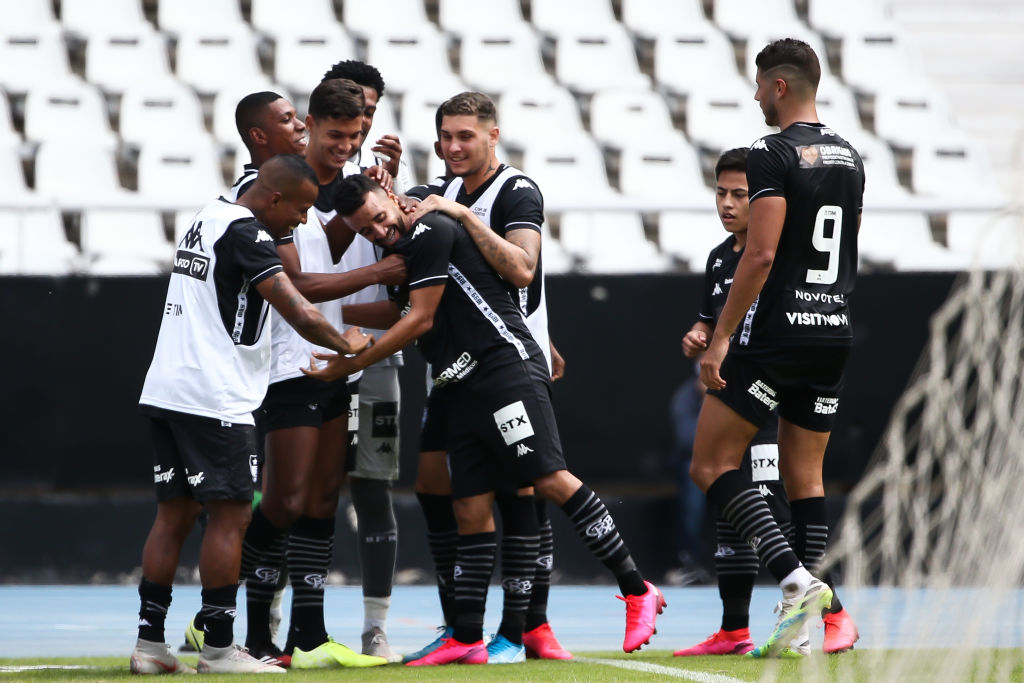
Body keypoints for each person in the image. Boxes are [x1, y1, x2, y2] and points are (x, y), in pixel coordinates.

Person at [309, 173, 665, 666]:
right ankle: (467, 636)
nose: (378, 231)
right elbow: (400, 310)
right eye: (366, 230)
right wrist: (328, 314)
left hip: (503, 369)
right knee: (470, 508)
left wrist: (348, 363)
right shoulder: (411, 245)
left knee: (549, 478)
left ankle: (636, 588)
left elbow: (420, 319)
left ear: (391, 199)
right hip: (459, 384)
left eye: (379, 218)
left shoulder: (430, 228)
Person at [184, 81, 398, 670]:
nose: (300, 128)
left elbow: (320, 248)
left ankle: (307, 634)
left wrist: (367, 215)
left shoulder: (295, 195)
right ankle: (229, 627)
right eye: (290, 120)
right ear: (260, 135)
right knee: (283, 500)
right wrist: (384, 267)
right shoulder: (254, 202)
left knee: (323, 498)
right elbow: (298, 285)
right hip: (286, 365)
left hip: (331, 363)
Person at [129, 154, 372, 675]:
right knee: (234, 514)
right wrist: (346, 343)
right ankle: (218, 649)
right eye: (302, 209)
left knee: (173, 514)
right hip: (215, 395)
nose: (303, 221)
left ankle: (149, 646)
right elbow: (298, 308)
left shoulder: (204, 217)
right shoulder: (248, 233)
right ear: (275, 197)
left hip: (167, 386)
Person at [688, 38, 865, 659]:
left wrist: (723, 338)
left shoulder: (770, 152)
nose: (756, 95)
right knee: (803, 476)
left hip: (779, 335)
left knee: (710, 466)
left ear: (779, 87)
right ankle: (808, 619)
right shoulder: (849, 154)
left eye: (759, 84)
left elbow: (760, 254)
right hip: (833, 328)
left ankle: (804, 587)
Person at [402, 92, 570, 663]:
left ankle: (525, 624)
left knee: (523, 484)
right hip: (455, 366)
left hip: (506, 355)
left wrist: (462, 215)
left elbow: (522, 269)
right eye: (445, 136)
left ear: (493, 135)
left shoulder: (515, 189)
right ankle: (463, 625)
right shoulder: (441, 191)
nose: (452, 147)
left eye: (465, 136)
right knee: (434, 482)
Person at [317, 60, 410, 662]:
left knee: (373, 490)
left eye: (371, 114)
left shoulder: (384, 183)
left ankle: (375, 625)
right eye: (352, 117)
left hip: (376, 357)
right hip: (310, 351)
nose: (362, 127)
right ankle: (290, 619)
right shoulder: (299, 177)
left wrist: (392, 190)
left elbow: (408, 274)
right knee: (306, 492)